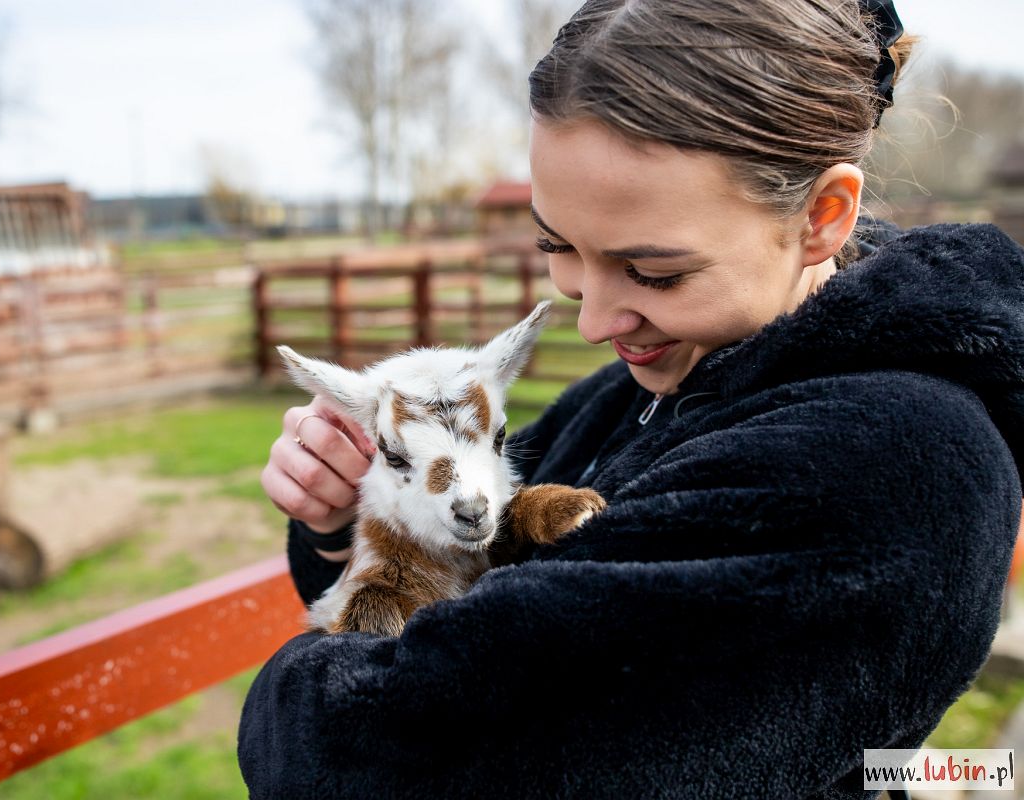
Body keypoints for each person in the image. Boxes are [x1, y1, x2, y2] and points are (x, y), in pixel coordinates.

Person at [240, 0, 1024, 796]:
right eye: (559, 246)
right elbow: (461, 583)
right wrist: (350, 527)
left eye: (655, 272)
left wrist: (291, 689)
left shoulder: (882, 469)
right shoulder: (655, 381)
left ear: (822, 216)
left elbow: (371, 757)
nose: (591, 320)